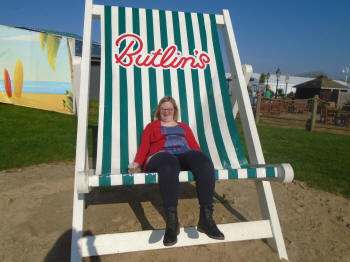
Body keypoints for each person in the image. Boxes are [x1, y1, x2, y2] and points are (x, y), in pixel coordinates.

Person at [128, 96, 224, 246]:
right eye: (163, 109)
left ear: (174, 111)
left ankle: (206, 219)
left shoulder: (184, 127)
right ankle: (172, 224)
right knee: (170, 163)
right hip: (160, 157)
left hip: (183, 155)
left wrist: (202, 164)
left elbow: (195, 147)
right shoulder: (151, 127)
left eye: (169, 109)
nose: (166, 112)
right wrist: (136, 163)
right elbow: (144, 147)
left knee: (204, 162)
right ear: (159, 111)